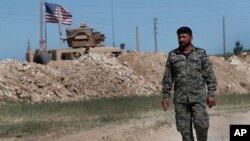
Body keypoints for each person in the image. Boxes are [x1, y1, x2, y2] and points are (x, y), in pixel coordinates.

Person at [161, 26, 217, 141]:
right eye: (179, 37)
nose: (181, 39)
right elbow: (168, 77)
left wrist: (211, 93)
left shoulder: (200, 53)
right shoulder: (173, 55)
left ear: (191, 38)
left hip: (198, 98)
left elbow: (209, 74)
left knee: (202, 125)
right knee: (184, 131)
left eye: (184, 36)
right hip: (181, 100)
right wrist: (166, 96)